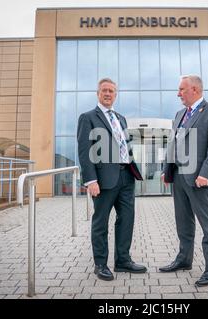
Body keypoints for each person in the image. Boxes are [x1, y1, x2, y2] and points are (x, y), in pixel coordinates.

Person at [77, 78, 146, 281]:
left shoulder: (121, 118)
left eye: (112, 91)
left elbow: (124, 144)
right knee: (101, 222)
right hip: (103, 179)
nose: (108, 94)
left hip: (126, 176)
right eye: (104, 90)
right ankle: (100, 264)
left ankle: (123, 261)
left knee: (126, 220)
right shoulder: (88, 117)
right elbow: (84, 151)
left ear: (116, 94)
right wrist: (90, 180)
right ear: (98, 93)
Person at [160, 75, 208, 287]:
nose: (178, 94)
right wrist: (166, 169)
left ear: (195, 89)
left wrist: (206, 173)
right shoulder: (180, 114)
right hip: (179, 176)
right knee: (183, 222)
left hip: (200, 178)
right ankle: (184, 260)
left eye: (181, 89)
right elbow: (173, 143)